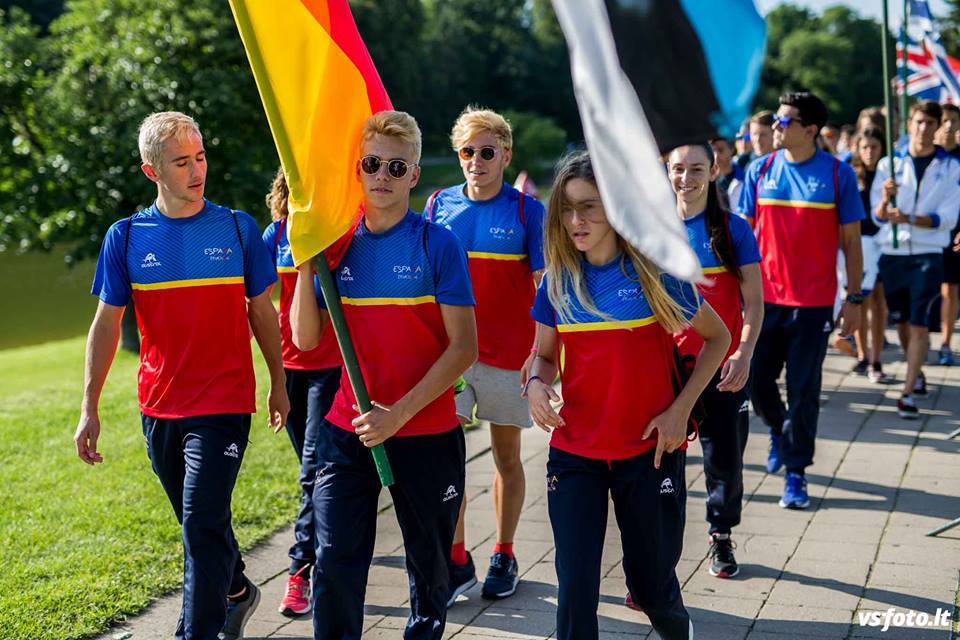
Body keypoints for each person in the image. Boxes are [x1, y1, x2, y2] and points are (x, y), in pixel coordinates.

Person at [73, 111, 289, 640]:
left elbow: (263, 312)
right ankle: (237, 590)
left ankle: (197, 631)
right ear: (152, 171)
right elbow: (106, 325)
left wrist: (278, 382)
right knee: (201, 521)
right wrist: (88, 408)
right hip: (160, 406)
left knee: (199, 520)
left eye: (200, 158)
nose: (197, 171)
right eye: (181, 162)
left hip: (224, 403)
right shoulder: (125, 237)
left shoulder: (237, 228)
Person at [525, 151, 730, 640]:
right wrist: (536, 383)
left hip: (648, 450)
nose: (577, 221)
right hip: (575, 454)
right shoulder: (556, 281)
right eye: (568, 208)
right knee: (575, 587)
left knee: (651, 583)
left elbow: (717, 338)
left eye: (590, 207)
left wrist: (680, 411)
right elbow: (545, 356)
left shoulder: (657, 273)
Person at [291, 110, 478, 640]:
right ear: (357, 168)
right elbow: (306, 340)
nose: (382, 176)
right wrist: (308, 260)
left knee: (428, 568)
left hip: (424, 432)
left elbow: (464, 349)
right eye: (372, 163)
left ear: (414, 175)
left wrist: (399, 414)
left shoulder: (437, 244)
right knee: (334, 559)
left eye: (396, 168)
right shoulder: (338, 243)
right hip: (347, 428)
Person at [425, 107, 545, 604]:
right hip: (450, 357)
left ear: (506, 155)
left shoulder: (526, 212)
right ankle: (455, 558)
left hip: (507, 358)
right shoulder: (437, 204)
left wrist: (541, 357)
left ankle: (504, 551)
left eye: (487, 152)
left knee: (506, 458)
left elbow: (545, 289)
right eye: (468, 152)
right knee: (444, 462)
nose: (477, 161)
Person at [739, 92, 865, 509]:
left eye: (785, 121)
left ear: (810, 130)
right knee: (756, 382)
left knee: (803, 390)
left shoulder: (837, 174)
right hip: (763, 301)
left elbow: (850, 242)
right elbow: (742, 240)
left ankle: (796, 474)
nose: (776, 127)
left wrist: (855, 297)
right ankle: (779, 431)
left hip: (813, 303)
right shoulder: (760, 170)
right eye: (775, 119)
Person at [669, 143, 763, 579]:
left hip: (723, 368)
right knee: (660, 461)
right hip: (665, 368)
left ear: (714, 170)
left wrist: (743, 352)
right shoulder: (649, 230)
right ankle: (659, 545)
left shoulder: (732, 230)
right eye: (678, 169)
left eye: (696, 169)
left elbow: (754, 303)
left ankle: (720, 536)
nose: (686, 178)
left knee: (724, 460)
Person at [261, 169, 342, 617]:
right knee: (315, 468)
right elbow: (260, 301)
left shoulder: (333, 234)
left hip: (329, 367)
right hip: (289, 368)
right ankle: (335, 528)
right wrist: (273, 380)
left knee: (312, 470)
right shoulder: (274, 234)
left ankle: (299, 571)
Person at [872, 100, 960, 418]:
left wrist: (907, 217)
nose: (923, 129)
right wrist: (885, 199)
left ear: (938, 128)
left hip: (928, 254)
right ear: (909, 124)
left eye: (930, 124)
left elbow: (946, 219)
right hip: (893, 254)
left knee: (921, 322)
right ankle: (916, 368)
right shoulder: (889, 165)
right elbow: (878, 217)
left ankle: (906, 393)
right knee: (905, 323)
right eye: (919, 122)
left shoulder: (951, 168)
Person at [845, 127, 892, 383]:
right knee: (861, 300)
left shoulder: (888, 174)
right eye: (865, 147)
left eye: (874, 147)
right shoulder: (853, 175)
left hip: (882, 243)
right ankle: (863, 355)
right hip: (860, 245)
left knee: (878, 301)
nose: (870, 152)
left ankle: (876, 356)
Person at [936, 103, 960, 365]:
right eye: (944, 120)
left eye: (954, 120)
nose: (949, 125)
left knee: (950, 289)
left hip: (955, 234)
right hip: (927, 233)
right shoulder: (931, 156)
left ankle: (945, 343)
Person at [710, 137, 745, 212]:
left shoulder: (746, 179)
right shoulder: (707, 181)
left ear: (731, 149)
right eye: (713, 151)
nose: (716, 156)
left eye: (720, 150)